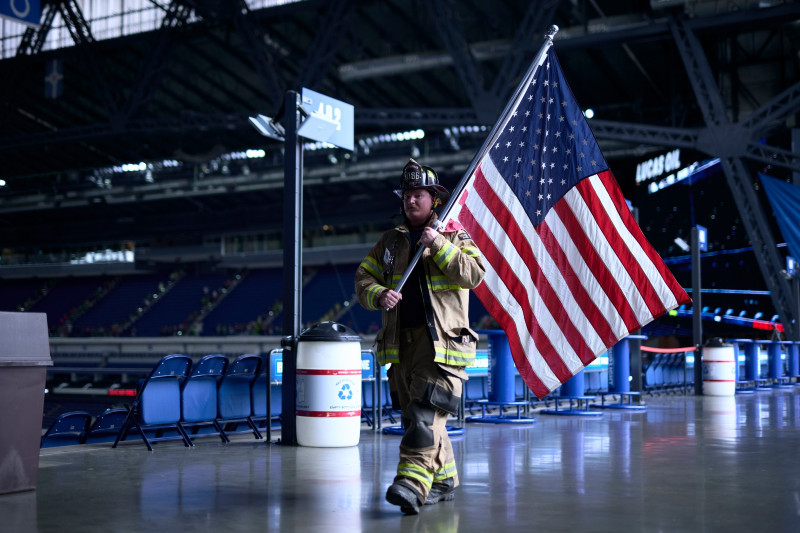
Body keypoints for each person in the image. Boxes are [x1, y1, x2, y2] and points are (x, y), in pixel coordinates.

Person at [355, 158, 485, 514]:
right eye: (407, 195)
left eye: (419, 195)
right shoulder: (389, 242)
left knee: (425, 417)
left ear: (435, 200)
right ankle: (442, 481)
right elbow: (362, 279)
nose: (411, 201)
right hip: (399, 346)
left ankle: (410, 484)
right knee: (417, 417)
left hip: (442, 347)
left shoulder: (454, 235)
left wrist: (439, 245)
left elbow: (474, 274)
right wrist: (380, 294)